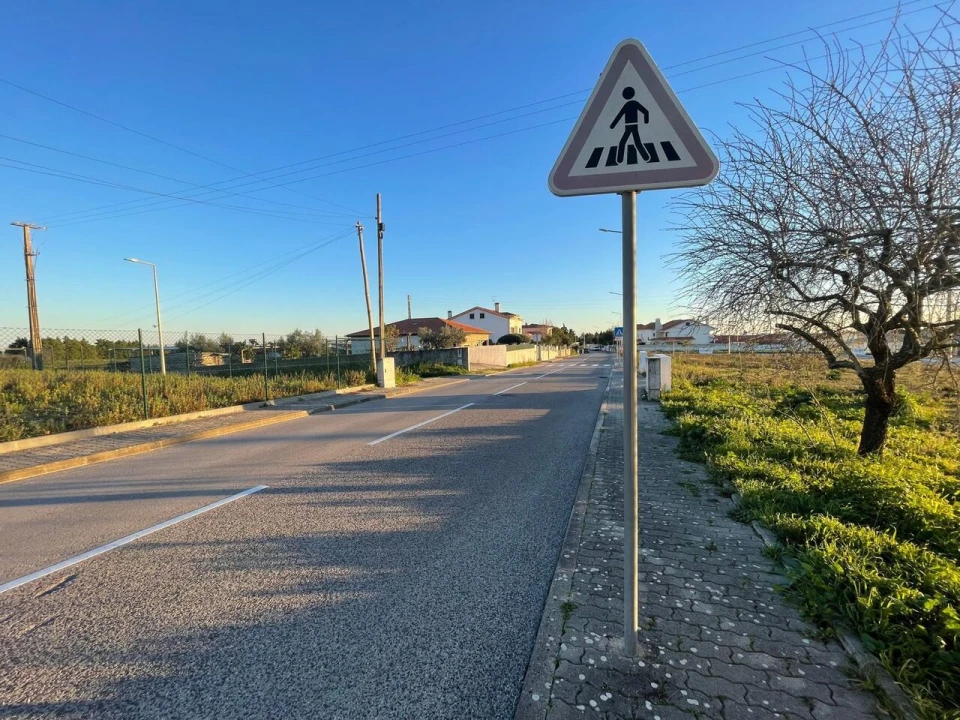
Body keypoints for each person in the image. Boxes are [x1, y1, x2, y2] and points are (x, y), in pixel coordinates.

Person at [609, 87, 650, 164]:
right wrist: (646, 121)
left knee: (624, 142)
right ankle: (645, 157)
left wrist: (613, 125)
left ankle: (620, 159)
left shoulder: (629, 104)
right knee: (636, 142)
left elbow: (619, 116)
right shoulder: (634, 103)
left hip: (630, 126)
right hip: (631, 126)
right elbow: (646, 112)